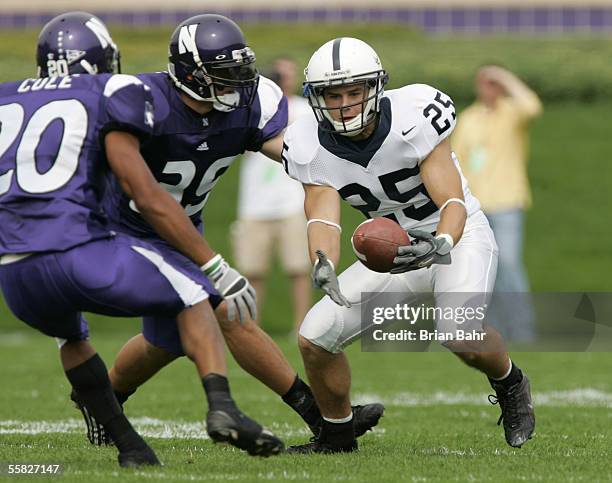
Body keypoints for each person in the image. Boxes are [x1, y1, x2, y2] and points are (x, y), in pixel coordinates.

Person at [35, 13, 383, 445]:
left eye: (239, 74)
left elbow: (300, 160)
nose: (236, 86)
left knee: (164, 341)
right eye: (223, 76)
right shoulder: (142, 101)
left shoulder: (248, 103)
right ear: (189, 75)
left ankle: (103, 399)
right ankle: (318, 416)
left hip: (181, 229)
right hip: (123, 228)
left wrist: (343, 180)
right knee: (225, 308)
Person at [0, 11, 284, 466]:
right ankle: (223, 406)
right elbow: (143, 189)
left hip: (14, 269)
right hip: (79, 246)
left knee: (69, 336)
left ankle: (130, 447)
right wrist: (214, 265)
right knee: (194, 293)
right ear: (104, 60)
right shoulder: (114, 90)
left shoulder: (6, 98)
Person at [280, 38, 536, 453]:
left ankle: (510, 382)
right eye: (333, 94)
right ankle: (338, 437)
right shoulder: (307, 142)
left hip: (456, 236)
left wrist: (442, 242)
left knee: (459, 334)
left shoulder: (414, 114)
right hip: (394, 254)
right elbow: (323, 217)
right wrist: (322, 260)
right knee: (315, 337)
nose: (344, 103)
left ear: (374, 89)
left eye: (353, 92)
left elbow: (452, 201)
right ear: (316, 98)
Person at [453, 65, 542, 342]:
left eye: (494, 83)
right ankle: (489, 331)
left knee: (509, 264)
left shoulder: (512, 113)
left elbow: (533, 106)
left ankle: (522, 330)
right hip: (476, 206)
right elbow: (457, 163)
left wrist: (504, 76)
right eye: (485, 82)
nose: (489, 88)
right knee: (482, 269)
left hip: (507, 202)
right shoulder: (468, 119)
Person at [233, 57, 312, 331]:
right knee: (253, 271)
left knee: (299, 269)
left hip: (291, 203)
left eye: (287, 74)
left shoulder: (303, 109)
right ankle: (251, 327)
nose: (284, 78)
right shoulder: (254, 109)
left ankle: (301, 325)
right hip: (254, 205)